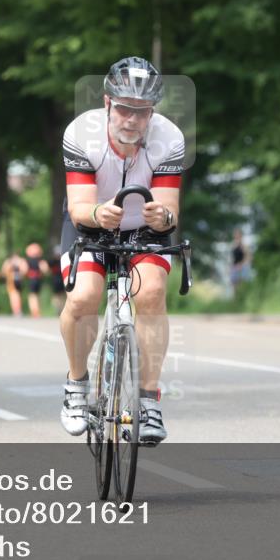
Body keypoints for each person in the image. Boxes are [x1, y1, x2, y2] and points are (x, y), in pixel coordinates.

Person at [58, 56, 184, 445]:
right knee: (84, 297)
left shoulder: (169, 138)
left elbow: (170, 212)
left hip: (143, 228)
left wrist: (161, 216)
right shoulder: (82, 132)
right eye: (125, 108)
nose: (132, 119)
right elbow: (79, 207)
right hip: (92, 221)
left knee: (151, 292)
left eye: (142, 112)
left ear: (152, 113)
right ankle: (76, 387)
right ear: (108, 103)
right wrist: (99, 213)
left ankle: (148, 400)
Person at [24, 242, 50, 318]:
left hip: (32, 279)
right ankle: (37, 311)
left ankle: (34, 311)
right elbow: (45, 270)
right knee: (37, 295)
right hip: (39, 279)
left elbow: (24, 270)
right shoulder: (40, 261)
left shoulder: (28, 261)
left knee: (32, 295)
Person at [1, 252, 27, 317]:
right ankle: (18, 310)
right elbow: (25, 270)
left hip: (12, 280)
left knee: (13, 296)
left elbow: (3, 271)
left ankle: (16, 311)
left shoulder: (9, 261)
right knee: (17, 295)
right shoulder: (21, 261)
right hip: (18, 280)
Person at [229, 229, 251, 296]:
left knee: (241, 284)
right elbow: (232, 258)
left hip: (242, 266)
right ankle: (235, 301)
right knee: (234, 284)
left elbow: (248, 256)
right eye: (235, 234)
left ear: (241, 235)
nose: (236, 236)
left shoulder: (243, 245)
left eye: (237, 234)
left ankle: (242, 298)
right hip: (234, 266)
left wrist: (241, 264)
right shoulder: (233, 245)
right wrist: (230, 267)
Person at [47, 247, 66, 314]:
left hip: (56, 279)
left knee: (57, 295)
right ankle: (61, 308)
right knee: (61, 295)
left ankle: (59, 308)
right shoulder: (63, 260)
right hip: (62, 279)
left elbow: (48, 270)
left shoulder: (52, 261)